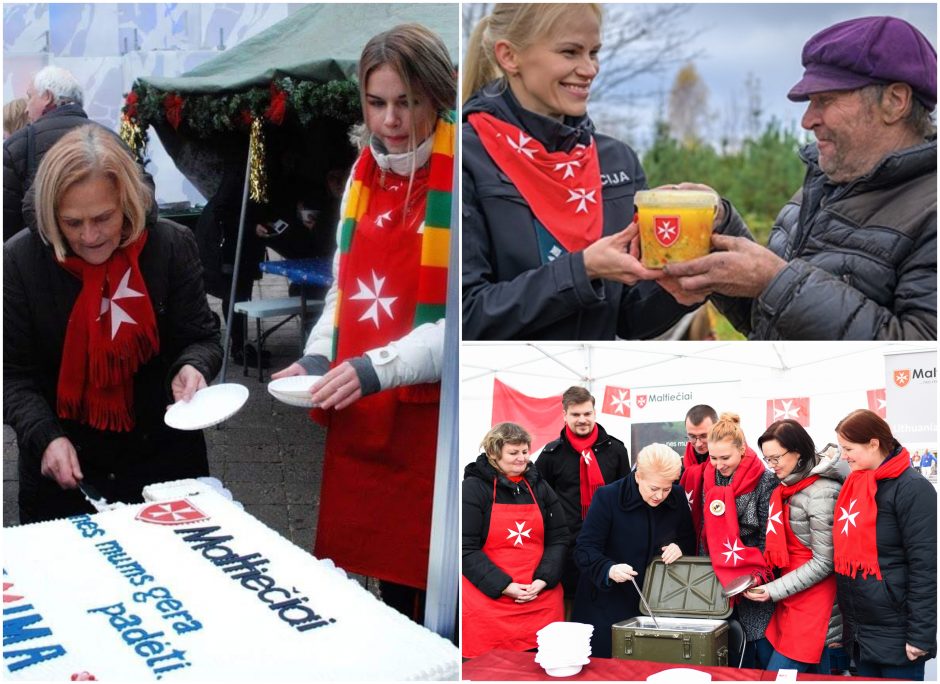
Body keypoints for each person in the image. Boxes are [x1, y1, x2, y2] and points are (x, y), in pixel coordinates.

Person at [270, 23, 455, 623]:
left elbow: (460, 324)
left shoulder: (464, 177)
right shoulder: (361, 174)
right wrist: (320, 355)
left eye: (407, 102)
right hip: (359, 407)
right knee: (357, 589)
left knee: (422, 595)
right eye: (377, 103)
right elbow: (343, 292)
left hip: (427, 419)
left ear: (436, 95)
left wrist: (376, 368)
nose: (391, 120)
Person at [661, 16, 937, 340]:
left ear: (894, 101)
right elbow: (767, 319)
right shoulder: (816, 190)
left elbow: (920, 356)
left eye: (825, 100)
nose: (807, 120)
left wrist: (774, 281)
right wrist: (720, 229)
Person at [3, 125, 222, 523]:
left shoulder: (170, 246)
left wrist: (193, 367)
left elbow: (201, 337)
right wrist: (45, 437)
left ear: (128, 201)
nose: (89, 237)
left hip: (164, 460)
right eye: (71, 223)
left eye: (103, 218)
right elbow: (11, 375)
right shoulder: (19, 263)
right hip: (65, 471)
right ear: (51, 215)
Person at [461, 3, 710, 340]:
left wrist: (684, 290)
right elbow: (467, 316)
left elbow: (628, 318)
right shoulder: (465, 157)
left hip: (591, 384)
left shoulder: (617, 161)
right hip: (504, 388)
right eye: (570, 52)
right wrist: (583, 270)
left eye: (594, 52)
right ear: (509, 56)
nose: (590, 68)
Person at [833, 409, 936, 680]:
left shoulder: (913, 488)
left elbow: (924, 568)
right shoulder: (856, 484)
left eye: (848, 448)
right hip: (861, 633)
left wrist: (920, 636)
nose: (844, 456)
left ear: (874, 443)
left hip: (897, 634)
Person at [572, 443, 695, 658]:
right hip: (606, 603)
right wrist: (608, 569)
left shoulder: (676, 496)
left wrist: (679, 548)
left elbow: (688, 539)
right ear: (638, 476)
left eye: (666, 488)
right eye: (654, 488)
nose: (660, 496)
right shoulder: (608, 497)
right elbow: (584, 549)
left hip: (655, 603)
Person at [744, 420, 843, 673]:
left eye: (776, 458)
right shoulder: (787, 487)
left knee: (781, 673)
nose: (772, 466)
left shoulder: (822, 492)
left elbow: (825, 561)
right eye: (767, 459)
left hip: (815, 600)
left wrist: (773, 589)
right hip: (792, 593)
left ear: (798, 451)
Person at [462, 422, 568, 657]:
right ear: (493, 454)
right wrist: (504, 586)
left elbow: (559, 537)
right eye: (513, 453)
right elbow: (465, 548)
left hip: (540, 599)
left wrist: (544, 579)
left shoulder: (539, 486)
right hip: (489, 604)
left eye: (524, 451)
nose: (521, 459)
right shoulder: (473, 488)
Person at [691, 412, 778, 668]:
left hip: (753, 573)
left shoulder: (764, 481)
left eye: (725, 458)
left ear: (742, 449)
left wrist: (754, 577)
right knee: (724, 648)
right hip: (717, 574)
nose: (719, 465)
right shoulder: (709, 477)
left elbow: (766, 536)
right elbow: (707, 528)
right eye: (713, 458)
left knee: (758, 647)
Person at [534, 386, 631, 612]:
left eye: (587, 413)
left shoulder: (616, 450)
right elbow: (538, 500)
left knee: (606, 601)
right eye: (576, 414)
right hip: (567, 546)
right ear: (565, 415)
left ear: (595, 413)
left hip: (608, 542)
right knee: (569, 604)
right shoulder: (550, 455)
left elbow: (626, 497)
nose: (582, 419)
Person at [4, 66, 95, 241]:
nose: (26, 109)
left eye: (30, 97)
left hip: (35, 261)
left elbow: (6, 222)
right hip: (101, 259)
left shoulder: (18, 145)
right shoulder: (111, 140)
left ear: (47, 97)